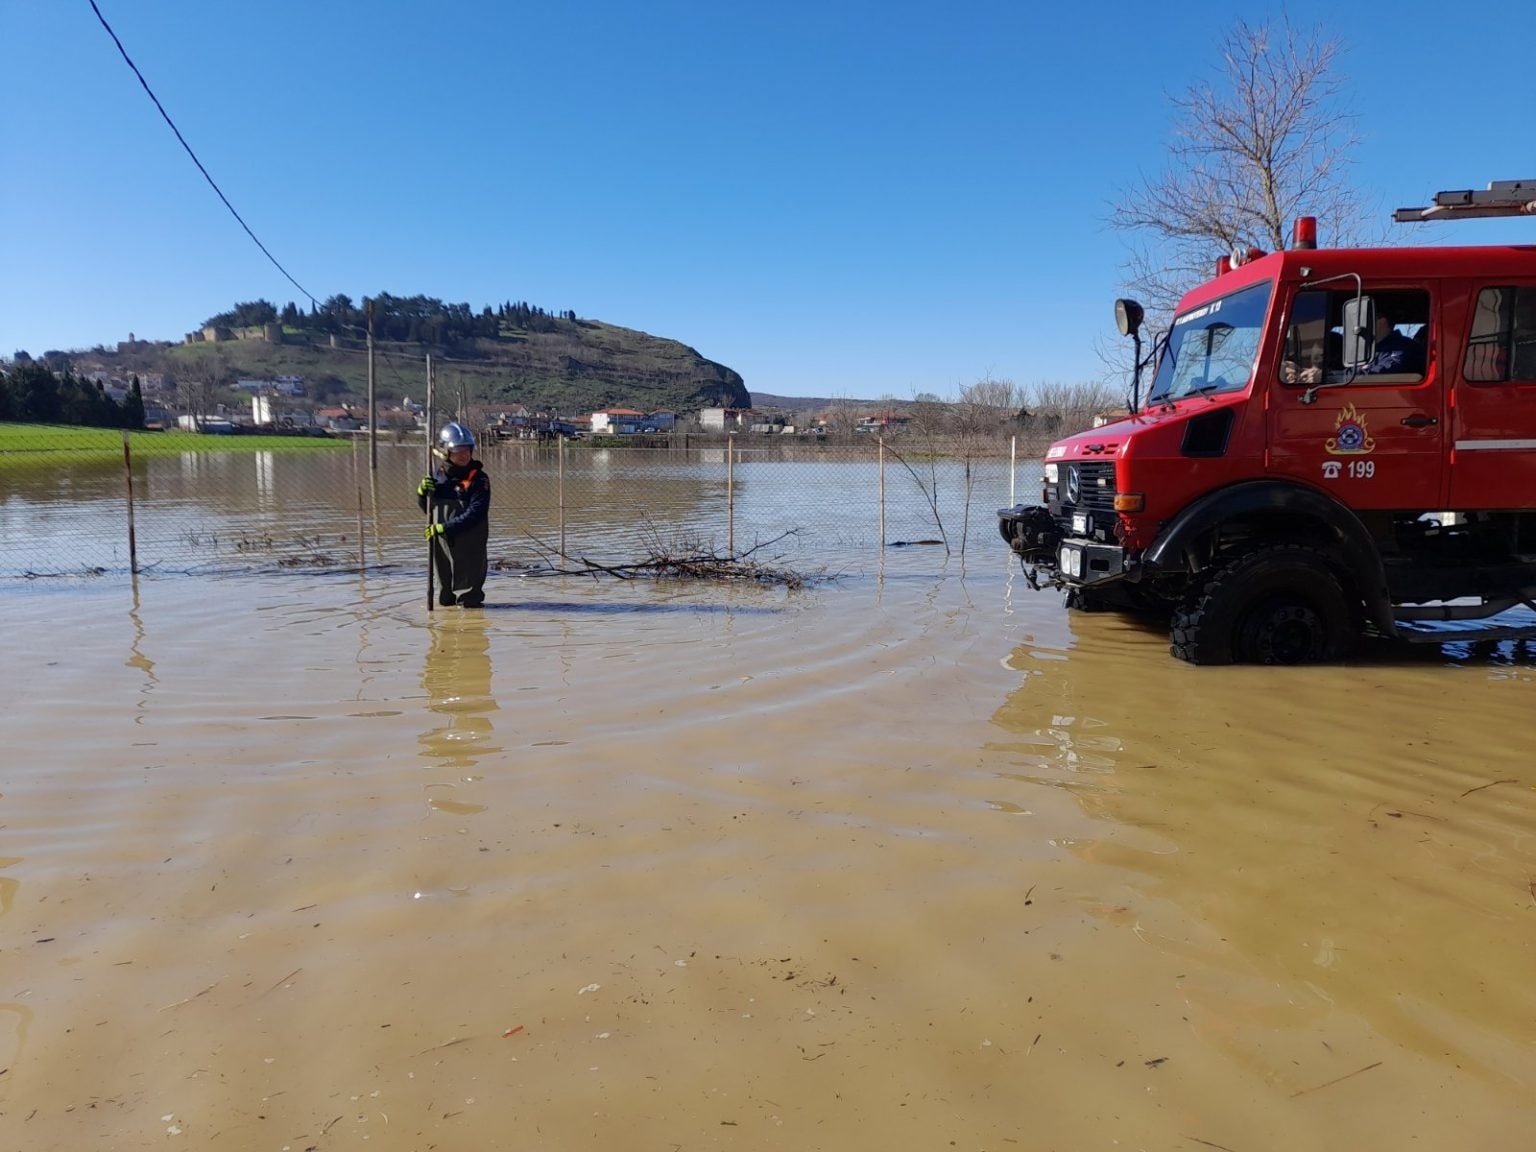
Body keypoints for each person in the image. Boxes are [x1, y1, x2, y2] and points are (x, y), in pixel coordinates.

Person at [417, 422, 490, 608]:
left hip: (469, 543)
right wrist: (421, 494)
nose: (463, 454)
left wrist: (445, 527)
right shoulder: (437, 477)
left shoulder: (479, 479)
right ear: (446, 452)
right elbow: (428, 510)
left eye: (467, 449)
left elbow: (476, 512)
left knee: (469, 599)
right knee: (446, 597)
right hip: (441, 543)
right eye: (457, 450)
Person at [1360, 312, 1424, 375]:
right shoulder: (1365, 348)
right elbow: (1350, 372)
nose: (1363, 326)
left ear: (1383, 322)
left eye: (1366, 321)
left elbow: (1387, 371)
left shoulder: (1405, 345)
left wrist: (1361, 370)